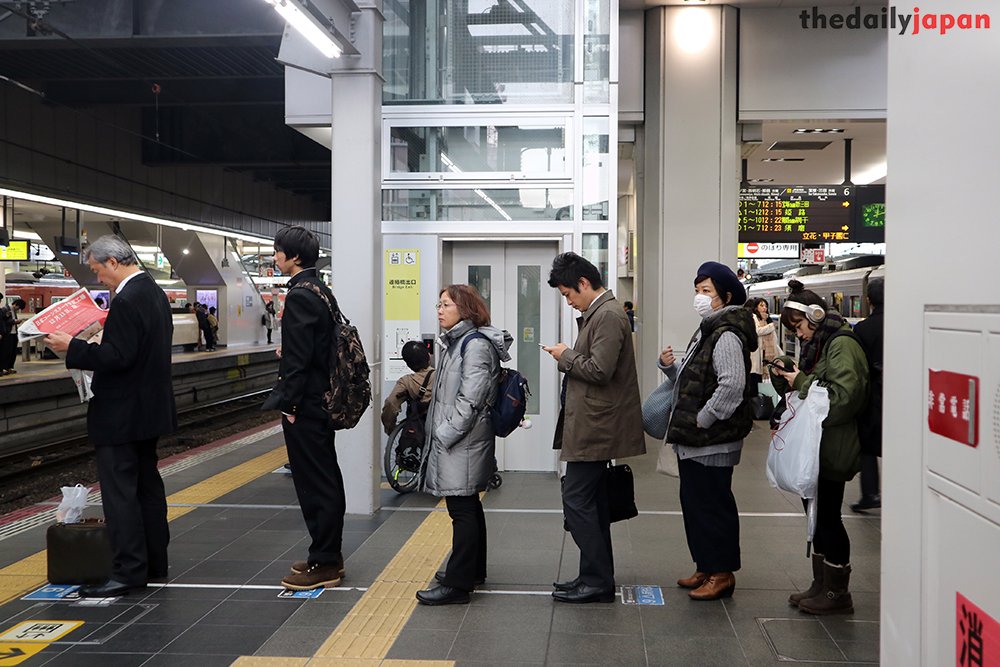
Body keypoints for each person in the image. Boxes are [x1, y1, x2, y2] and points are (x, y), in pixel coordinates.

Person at [43, 235, 176, 597]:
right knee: (147, 487)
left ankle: (129, 571)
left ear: (113, 263)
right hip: (148, 411)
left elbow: (118, 357)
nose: (99, 279)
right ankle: (153, 563)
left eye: (98, 271)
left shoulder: (129, 300)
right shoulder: (154, 293)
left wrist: (73, 347)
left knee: (121, 494)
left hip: (122, 414)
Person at [543, 252, 645, 604]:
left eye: (569, 294)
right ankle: (592, 576)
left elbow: (600, 370)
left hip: (597, 427)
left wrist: (565, 356)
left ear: (584, 284)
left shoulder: (609, 316)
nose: (569, 302)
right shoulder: (599, 314)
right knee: (592, 504)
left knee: (576, 500)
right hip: (593, 424)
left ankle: (598, 580)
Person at [770, 279, 868, 615]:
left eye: (798, 327)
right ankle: (821, 584)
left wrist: (800, 380)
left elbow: (842, 398)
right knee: (816, 515)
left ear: (814, 315)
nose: (798, 334)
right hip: (818, 445)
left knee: (828, 516)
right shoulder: (821, 344)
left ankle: (837, 594)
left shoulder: (842, 345)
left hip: (834, 446)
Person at [660, 261, 757, 601]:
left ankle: (722, 573)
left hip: (711, 440)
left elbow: (731, 386)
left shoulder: (727, 335)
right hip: (697, 440)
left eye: (706, 292)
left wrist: (704, 418)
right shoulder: (708, 330)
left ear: (725, 297)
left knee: (713, 506)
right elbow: (697, 380)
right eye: (697, 291)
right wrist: (671, 369)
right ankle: (705, 565)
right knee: (696, 504)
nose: (699, 298)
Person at [416, 285, 509, 606]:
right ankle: (472, 571)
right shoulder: (458, 343)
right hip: (462, 440)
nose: (439, 310)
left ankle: (458, 585)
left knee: (462, 510)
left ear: (465, 309)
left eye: (445, 304)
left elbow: (471, 399)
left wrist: (445, 433)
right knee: (468, 505)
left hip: (463, 441)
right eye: (438, 304)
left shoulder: (474, 345)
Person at [266, 225, 347, 590]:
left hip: (309, 404)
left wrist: (291, 404)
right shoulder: (321, 290)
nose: (274, 256)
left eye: (278, 250)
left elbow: (298, 361)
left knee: (315, 483)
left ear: (294, 257)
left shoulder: (300, 295)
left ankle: (326, 562)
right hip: (323, 398)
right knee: (324, 477)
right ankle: (323, 554)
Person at [850, 277, 884, 513]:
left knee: (868, 448)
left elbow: (859, 367)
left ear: (869, 300)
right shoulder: (904, 324)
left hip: (873, 397)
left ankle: (870, 493)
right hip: (903, 395)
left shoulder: (862, 329)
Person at [380, 340, 434, 435]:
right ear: (428, 357)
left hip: (416, 431)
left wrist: (390, 430)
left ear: (408, 364)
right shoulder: (441, 375)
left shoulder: (406, 382)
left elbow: (390, 403)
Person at [746, 297, 779, 387]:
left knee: (763, 380)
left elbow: (774, 339)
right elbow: (757, 331)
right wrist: (771, 327)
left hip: (767, 355)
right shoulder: (754, 317)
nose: (764, 308)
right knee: (755, 378)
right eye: (761, 305)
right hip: (757, 353)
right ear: (756, 307)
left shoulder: (767, 319)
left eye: (766, 306)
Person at [1, 297, 25, 375]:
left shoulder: (13, 311)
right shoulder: (5, 309)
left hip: (14, 333)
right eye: (18, 307)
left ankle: (10, 367)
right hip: (8, 334)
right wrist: (14, 321)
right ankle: (4, 367)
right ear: (15, 304)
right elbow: (4, 321)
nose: (18, 309)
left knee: (13, 352)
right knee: (6, 352)